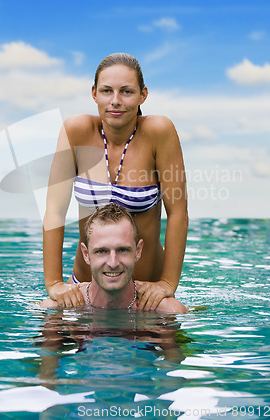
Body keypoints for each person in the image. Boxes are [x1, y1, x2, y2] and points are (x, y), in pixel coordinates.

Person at [43, 52, 188, 310]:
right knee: (50, 338)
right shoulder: (76, 131)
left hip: (146, 293)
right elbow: (54, 211)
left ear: (143, 95)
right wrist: (54, 284)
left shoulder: (159, 132)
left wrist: (167, 283)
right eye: (107, 91)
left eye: (127, 92)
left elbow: (177, 213)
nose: (116, 101)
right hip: (83, 287)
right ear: (94, 93)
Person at [41, 203, 187, 313]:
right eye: (101, 251)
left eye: (122, 250)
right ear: (86, 254)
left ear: (138, 251)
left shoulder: (168, 311)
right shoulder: (58, 310)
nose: (113, 263)